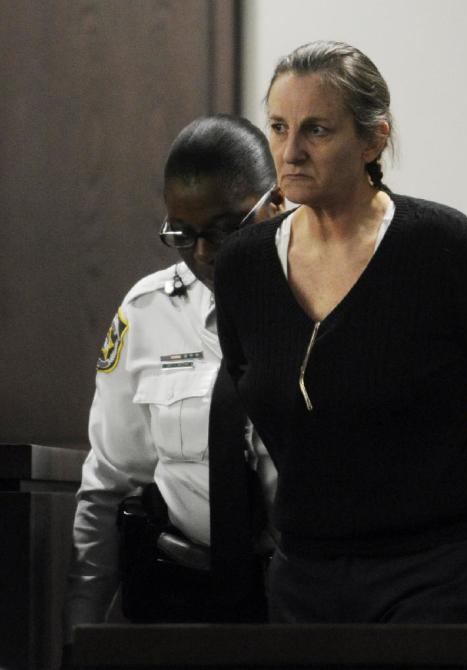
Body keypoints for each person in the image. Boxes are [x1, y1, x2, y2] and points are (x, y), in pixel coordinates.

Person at [213, 40, 467, 623]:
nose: (290, 151)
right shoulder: (244, 264)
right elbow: (259, 402)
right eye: (277, 127)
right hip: (304, 571)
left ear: (373, 139)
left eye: (317, 130)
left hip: (440, 569)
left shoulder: (443, 245)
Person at [63, 115, 284, 641]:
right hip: (183, 594)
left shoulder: (321, 301)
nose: (204, 253)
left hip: (303, 596)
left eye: (227, 228)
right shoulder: (147, 314)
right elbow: (108, 485)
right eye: (182, 234)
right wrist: (81, 628)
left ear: (276, 203)